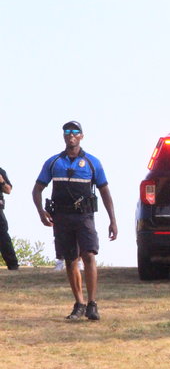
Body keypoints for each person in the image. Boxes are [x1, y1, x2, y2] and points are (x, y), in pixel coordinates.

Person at [32, 121, 117, 320]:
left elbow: (105, 191)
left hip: (84, 216)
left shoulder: (92, 162)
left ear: (81, 136)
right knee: (70, 260)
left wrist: (113, 220)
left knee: (89, 255)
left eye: (75, 132)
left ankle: (92, 304)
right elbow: (37, 189)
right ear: (63, 136)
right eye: (67, 132)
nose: (71, 135)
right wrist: (41, 212)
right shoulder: (53, 162)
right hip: (62, 217)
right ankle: (79, 303)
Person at [0, 165, 19, 270]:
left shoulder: (0, 171)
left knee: (3, 237)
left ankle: (13, 265)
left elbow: (8, 190)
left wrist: (1, 180)